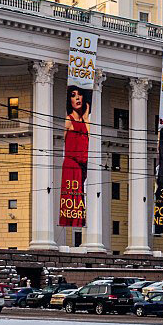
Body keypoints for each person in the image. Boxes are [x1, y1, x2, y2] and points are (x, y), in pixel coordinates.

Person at [58, 85, 91, 227]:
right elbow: (61, 142)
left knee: (78, 201)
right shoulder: (68, 120)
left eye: (79, 94)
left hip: (82, 169)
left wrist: (86, 117)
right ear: (69, 100)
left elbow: (90, 138)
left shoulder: (85, 121)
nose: (77, 97)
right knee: (71, 200)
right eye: (73, 95)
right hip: (71, 167)